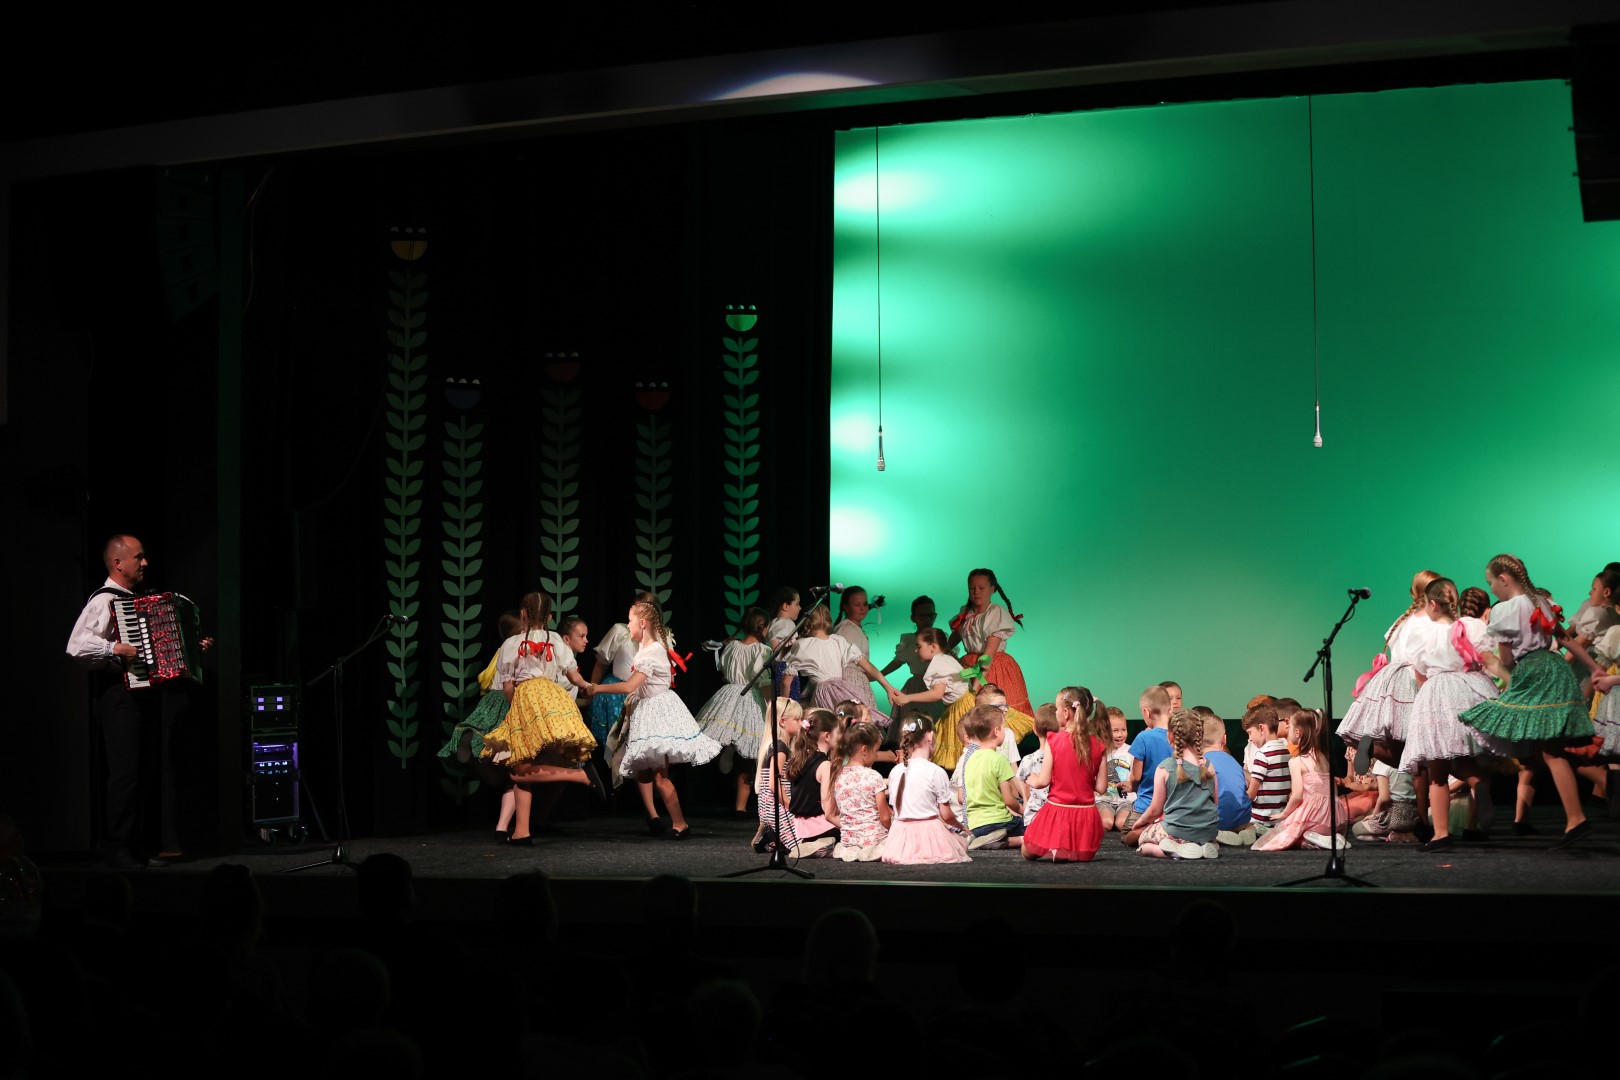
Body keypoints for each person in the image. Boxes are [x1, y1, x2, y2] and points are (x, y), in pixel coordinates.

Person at [66, 535, 214, 869]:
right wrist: (113, 648)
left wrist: (191, 647)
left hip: (143, 696)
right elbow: (77, 646)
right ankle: (115, 846)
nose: (145, 563)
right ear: (118, 563)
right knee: (125, 776)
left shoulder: (138, 601)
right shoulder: (105, 600)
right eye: (139, 557)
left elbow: (162, 654)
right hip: (118, 697)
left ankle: (135, 847)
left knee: (143, 773)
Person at [1458, 554, 1605, 849]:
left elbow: (1506, 658)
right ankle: (1576, 817)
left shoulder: (1505, 610)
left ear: (1503, 579)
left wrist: (1503, 669)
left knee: (1547, 750)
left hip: (1533, 671)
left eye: (1491, 583)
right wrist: (1593, 667)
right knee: (1550, 751)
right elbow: (1565, 639)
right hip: (1556, 667)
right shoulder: (1539, 601)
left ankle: (1577, 819)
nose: (1491, 589)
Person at [1398, 577, 1511, 851]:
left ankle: (1441, 834)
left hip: (1438, 692)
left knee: (1438, 770)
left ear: (1432, 604)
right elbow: (1487, 659)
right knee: (1468, 757)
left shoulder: (1423, 633)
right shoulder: (1470, 626)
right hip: (1471, 688)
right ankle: (1477, 783)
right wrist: (1511, 680)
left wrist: (1426, 704)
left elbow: (1420, 674)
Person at [591, 598, 720, 839]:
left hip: (658, 712)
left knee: (661, 776)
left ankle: (680, 824)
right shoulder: (647, 648)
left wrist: (596, 688)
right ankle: (669, 819)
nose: (628, 626)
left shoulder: (651, 652)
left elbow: (629, 686)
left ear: (642, 623)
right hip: (648, 709)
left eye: (630, 621)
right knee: (646, 773)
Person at [480, 591, 602, 844]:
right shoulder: (555, 639)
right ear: (549, 617)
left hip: (527, 699)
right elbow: (572, 675)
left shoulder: (511, 644)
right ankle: (521, 831)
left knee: (519, 769)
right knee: (520, 765)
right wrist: (587, 685)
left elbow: (507, 686)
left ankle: (578, 776)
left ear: (523, 615)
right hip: (552, 698)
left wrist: (516, 709)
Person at [1338, 570, 1440, 773]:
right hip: (1414, 680)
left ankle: (1372, 748)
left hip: (1391, 682)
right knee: (1419, 757)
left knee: (1401, 755)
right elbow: (1425, 656)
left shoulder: (1403, 619)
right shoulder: (1429, 620)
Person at [693, 607, 773, 817]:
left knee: (740, 739)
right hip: (750, 694)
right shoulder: (762, 650)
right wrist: (771, 705)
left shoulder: (731, 647)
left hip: (730, 693)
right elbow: (763, 680)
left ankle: (730, 747)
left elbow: (723, 670)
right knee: (752, 751)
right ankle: (741, 806)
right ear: (763, 628)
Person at [1021, 686, 1110, 862]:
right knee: (1079, 855)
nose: (1055, 713)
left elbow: (1043, 781)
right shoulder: (1099, 744)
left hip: (1057, 812)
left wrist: (1032, 779)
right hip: (1086, 817)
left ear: (1067, 713)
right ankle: (1064, 848)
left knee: (1027, 851)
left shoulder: (1054, 740)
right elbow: (1101, 787)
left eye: (1057, 709)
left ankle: (1058, 847)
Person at [781, 605, 900, 725]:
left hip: (825, 693)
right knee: (851, 721)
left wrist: (785, 708)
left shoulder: (803, 645)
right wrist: (888, 688)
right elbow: (866, 664)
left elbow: (786, 682)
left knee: (832, 725)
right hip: (844, 689)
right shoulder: (838, 641)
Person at [1253, 709, 1350, 852]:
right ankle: (1328, 837)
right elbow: (1334, 791)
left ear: (1297, 732)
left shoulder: (1297, 761)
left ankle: (1307, 840)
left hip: (1315, 819)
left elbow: (1297, 795)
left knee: (1281, 833)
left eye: (1290, 728)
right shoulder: (1324, 758)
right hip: (1335, 820)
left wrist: (1284, 814)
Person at [947, 568, 1035, 721]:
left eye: (981, 588)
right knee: (966, 719)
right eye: (972, 588)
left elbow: (988, 656)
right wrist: (942, 654)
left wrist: (974, 689)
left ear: (992, 589)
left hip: (992, 668)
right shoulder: (966, 613)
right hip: (968, 667)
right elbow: (952, 641)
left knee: (992, 714)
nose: (976, 592)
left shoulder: (995, 613)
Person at [881, 715, 970, 864]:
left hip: (901, 838)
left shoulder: (895, 771)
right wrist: (961, 827)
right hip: (929, 834)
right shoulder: (935, 771)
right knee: (960, 843)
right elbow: (946, 815)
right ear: (930, 736)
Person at [1136, 709, 1221, 860]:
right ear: (1199, 736)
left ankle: (1170, 850)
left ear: (1170, 736)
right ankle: (1206, 846)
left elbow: (1155, 810)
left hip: (1177, 830)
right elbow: (1215, 803)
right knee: (1194, 836)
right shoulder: (1209, 766)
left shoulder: (1165, 768)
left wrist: (1140, 822)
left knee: (1142, 841)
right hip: (1208, 831)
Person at [889, 628, 970, 767]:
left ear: (932, 647)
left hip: (960, 708)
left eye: (919, 646)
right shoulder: (945, 659)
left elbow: (937, 694)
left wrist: (908, 698)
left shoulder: (940, 663)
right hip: (959, 705)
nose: (916, 650)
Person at [586, 591, 660, 743]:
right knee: (616, 742)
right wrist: (592, 689)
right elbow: (602, 663)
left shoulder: (661, 639)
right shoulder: (620, 631)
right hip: (616, 694)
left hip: (646, 696)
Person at [962, 705, 1024, 850]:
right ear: (996, 731)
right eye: (1003, 728)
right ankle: (1009, 840)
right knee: (1034, 830)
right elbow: (1009, 800)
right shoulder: (999, 760)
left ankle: (987, 840)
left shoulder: (970, 760)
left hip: (976, 825)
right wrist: (1023, 811)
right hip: (999, 822)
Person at [829, 721, 891, 861]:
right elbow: (885, 818)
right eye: (875, 751)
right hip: (874, 840)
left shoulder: (838, 776)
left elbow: (836, 812)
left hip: (848, 841)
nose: (876, 756)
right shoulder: (874, 776)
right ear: (864, 750)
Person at [1122, 685, 1173, 844]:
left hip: (1145, 806)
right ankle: (1164, 831)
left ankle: (1151, 831)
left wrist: (1131, 785)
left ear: (1146, 712)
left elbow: (1136, 776)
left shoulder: (1143, 737)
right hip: (1172, 808)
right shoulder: (1178, 736)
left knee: (1126, 835)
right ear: (1170, 710)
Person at [1202, 714, 1254, 847]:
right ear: (1224, 739)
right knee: (1248, 823)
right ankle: (1247, 829)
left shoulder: (1201, 763)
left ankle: (1217, 833)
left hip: (1216, 821)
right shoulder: (1232, 760)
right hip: (1243, 819)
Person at [880, 595, 938, 706]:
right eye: (922, 616)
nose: (927, 620)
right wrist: (879, 674)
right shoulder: (909, 641)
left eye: (930, 615)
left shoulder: (941, 638)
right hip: (917, 686)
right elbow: (897, 662)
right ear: (913, 618)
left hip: (938, 685)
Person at [1244, 702, 1290, 834]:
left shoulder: (1262, 754)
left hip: (1260, 819)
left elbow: (1251, 795)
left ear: (1261, 728)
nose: (1250, 738)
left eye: (1250, 733)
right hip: (1279, 818)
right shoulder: (1286, 752)